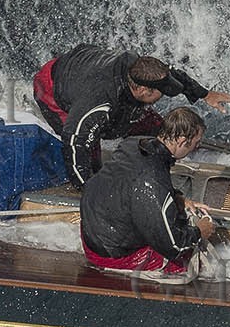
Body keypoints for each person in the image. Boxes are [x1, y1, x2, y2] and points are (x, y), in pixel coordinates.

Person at [33, 44, 230, 187]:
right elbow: (74, 139)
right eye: (160, 93)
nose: (164, 94)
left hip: (88, 64)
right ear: (142, 91)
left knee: (153, 126)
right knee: (89, 148)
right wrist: (89, 191)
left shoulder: (142, 69)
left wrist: (205, 94)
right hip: (52, 88)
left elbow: (173, 74)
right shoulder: (100, 102)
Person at [79, 107, 216, 281]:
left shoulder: (133, 144)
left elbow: (129, 181)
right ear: (182, 141)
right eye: (196, 144)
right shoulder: (152, 180)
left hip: (91, 235)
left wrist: (178, 198)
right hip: (112, 254)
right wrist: (199, 232)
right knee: (189, 263)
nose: (196, 148)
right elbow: (173, 246)